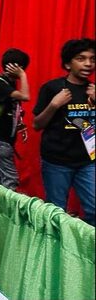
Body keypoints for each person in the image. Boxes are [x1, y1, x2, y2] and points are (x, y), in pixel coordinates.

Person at [33, 38, 95, 225]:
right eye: (81, 58)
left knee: (93, 208)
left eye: (92, 59)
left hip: (88, 161)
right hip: (57, 161)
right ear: (68, 63)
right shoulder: (52, 88)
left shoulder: (93, 90)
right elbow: (37, 124)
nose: (88, 64)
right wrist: (54, 104)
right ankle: (56, 250)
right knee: (56, 212)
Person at [0, 48, 30, 190]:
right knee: (11, 179)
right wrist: (23, 76)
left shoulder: (8, 83)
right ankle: (8, 211)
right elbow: (26, 96)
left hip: (2, 139)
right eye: (22, 67)